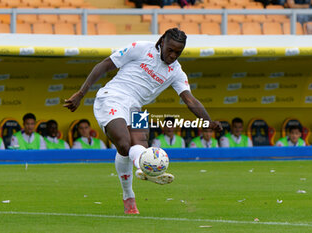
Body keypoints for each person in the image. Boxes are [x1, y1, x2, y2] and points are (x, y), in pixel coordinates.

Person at [64, 28, 222, 214]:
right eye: (170, 50)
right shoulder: (141, 48)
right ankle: (140, 176)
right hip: (113, 97)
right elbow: (106, 64)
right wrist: (81, 93)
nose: (172, 55)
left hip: (137, 108)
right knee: (123, 143)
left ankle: (136, 184)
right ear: (162, 41)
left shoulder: (176, 72)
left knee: (139, 145)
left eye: (177, 53)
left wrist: (209, 121)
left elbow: (190, 99)